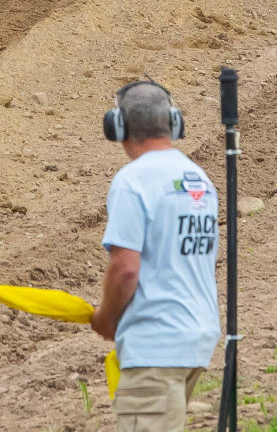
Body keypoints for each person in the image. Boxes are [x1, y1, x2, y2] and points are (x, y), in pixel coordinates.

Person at [90, 79, 221, 432]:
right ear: (174, 122)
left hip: (155, 343)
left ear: (118, 127)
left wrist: (106, 318)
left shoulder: (133, 181)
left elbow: (125, 268)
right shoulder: (198, 179)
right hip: (195, 339)